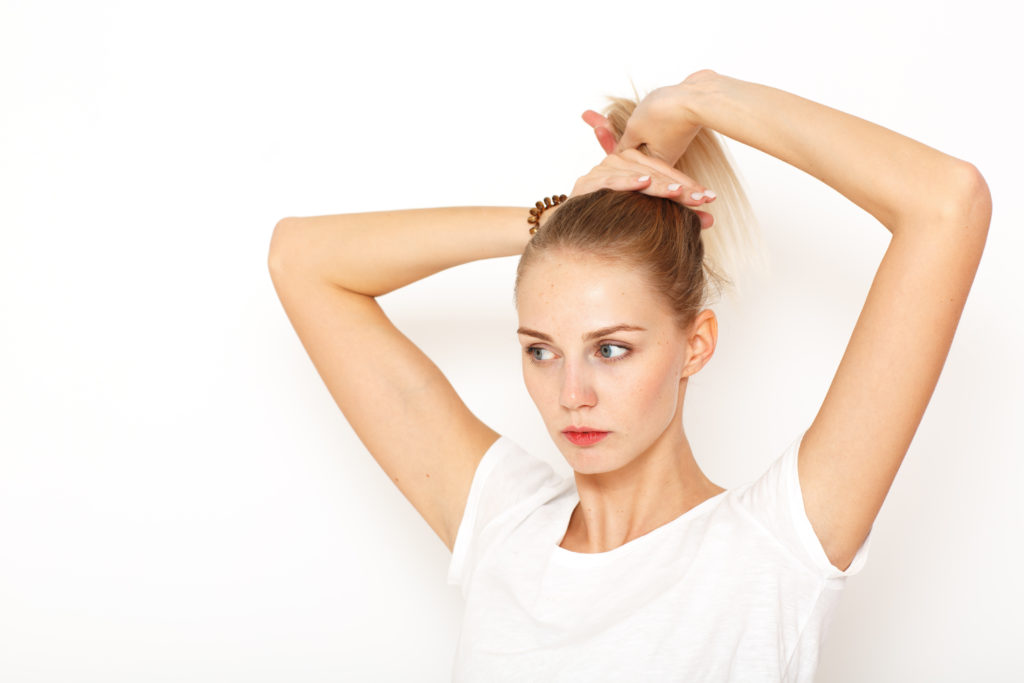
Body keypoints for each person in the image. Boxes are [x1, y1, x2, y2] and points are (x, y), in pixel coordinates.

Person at [267, 70, 990, 681]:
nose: (570, 393)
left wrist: (704, 99)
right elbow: (301, 259)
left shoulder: (775, 546)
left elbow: (946, 204)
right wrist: (553, 218)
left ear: (696, 344)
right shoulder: (503, 525)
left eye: (610, 349)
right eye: (540, 350)